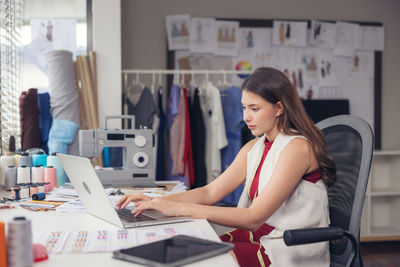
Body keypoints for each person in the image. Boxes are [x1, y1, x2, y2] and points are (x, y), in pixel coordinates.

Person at [117, 67, 336, 267]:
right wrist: (155, 202)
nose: (246, 117)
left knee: (198, 260)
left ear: (279, 108)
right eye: (244, 107)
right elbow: (210, 192)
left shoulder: (297, 148)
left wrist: (179, 208)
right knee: (185, 249)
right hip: (261, 238)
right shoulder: (255, 146)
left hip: (287, 248)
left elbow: (254, 217)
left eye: (254, 108)